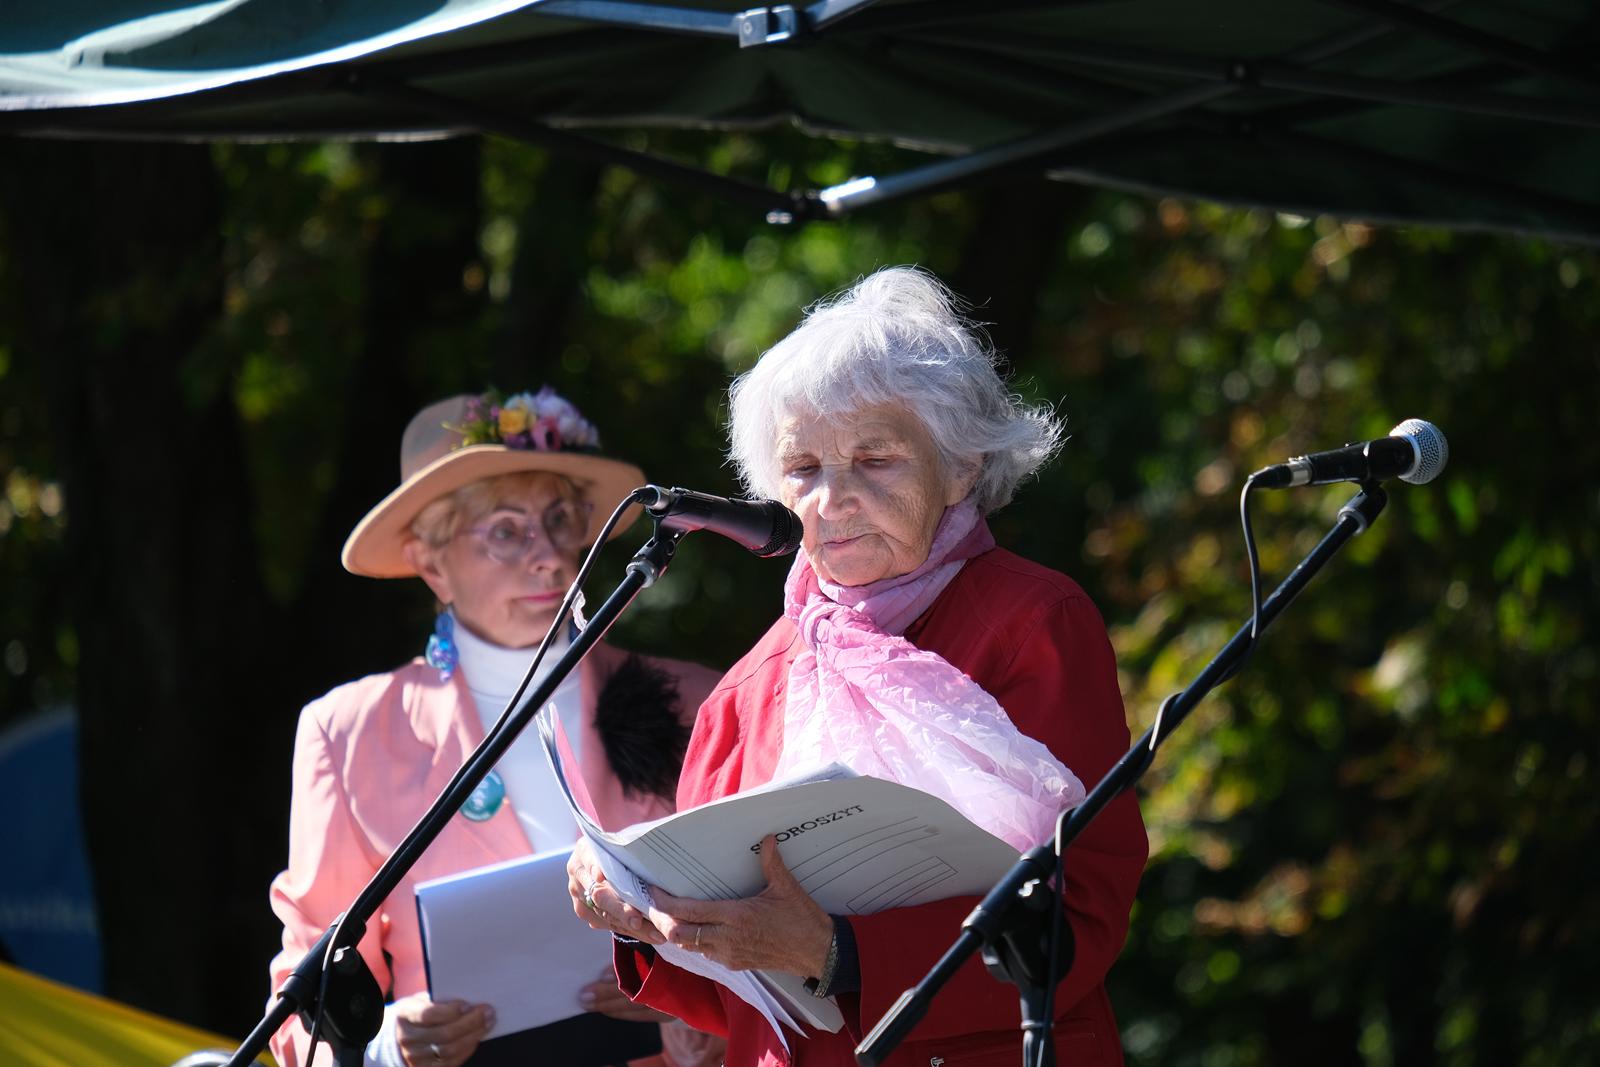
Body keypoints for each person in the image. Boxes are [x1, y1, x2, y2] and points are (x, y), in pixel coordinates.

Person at [568, 268, 1148, 1067]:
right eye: (803, 468)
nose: (832, 498)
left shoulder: (1032, 622)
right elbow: (738, 1002)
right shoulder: (745, 691)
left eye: (874, 458)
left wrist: (839, 950)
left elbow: (1081, 914)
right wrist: (640, 910)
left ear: (961, 466)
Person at [268, 387, 725, 1067]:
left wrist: (695, 997)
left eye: (561, 519)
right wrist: (385, 1044)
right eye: (506, 530)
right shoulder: (349, 732)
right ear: (431, 563)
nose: (549, 555)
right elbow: (302, 996)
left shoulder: (701, 700)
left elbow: (776, 930)